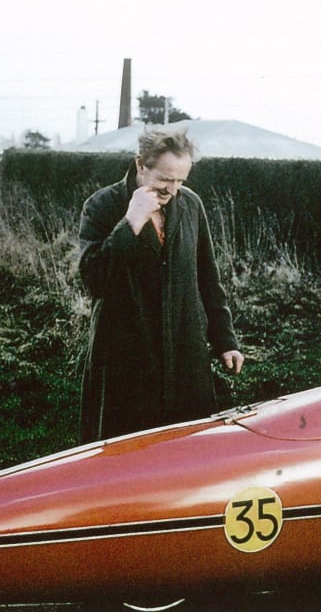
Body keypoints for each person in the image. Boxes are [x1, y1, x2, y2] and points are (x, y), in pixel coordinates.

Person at [77, 126, 244, 443]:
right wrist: (131, 223)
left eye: (181, 180)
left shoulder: (191, 206)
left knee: (187, 456)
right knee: (125, 460)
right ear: (141, 164)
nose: (173, 189)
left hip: (185, 354)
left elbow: (208, 278)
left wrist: (225, 340)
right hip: (125, 361)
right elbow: (94, 279)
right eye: (165, 179)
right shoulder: (102, 206)